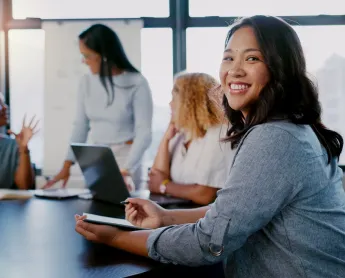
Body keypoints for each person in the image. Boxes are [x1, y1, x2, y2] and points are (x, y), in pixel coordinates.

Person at [75, 15, 345, 277]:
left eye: (252, 58)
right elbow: (231, 212)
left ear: (280, 68)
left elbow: (207, 243)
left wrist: (115, 237)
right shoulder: (289, 128)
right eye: (228, 57)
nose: (234, 70)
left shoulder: (274, 138)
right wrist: (165, 217)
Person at [44, 24, 153, 189]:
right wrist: (67, 165)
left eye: (87, 55)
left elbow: (144, 133)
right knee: (95, 209)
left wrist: (127, 170)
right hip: (98, 158)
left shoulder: (137, 82)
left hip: (128, 158)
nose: (83, 61)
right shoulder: (86, 82)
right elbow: (80, 127)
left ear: (104, 55)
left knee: (129, 211)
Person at [148, 72, 234, 205]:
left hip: (200, 217)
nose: (170, 104)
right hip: (177, 209)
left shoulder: (219, 133)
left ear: (190, 102)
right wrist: (166, 139)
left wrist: (164, 186)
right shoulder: (182, 133)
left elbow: (205, 194)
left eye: (174, 97)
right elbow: (156, 175)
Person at [0, 94, 38, 189]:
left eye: (4, 104)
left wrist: (24, 148)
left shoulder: (13, 145)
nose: (5, 107)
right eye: (0, 105)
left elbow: (24, 186)